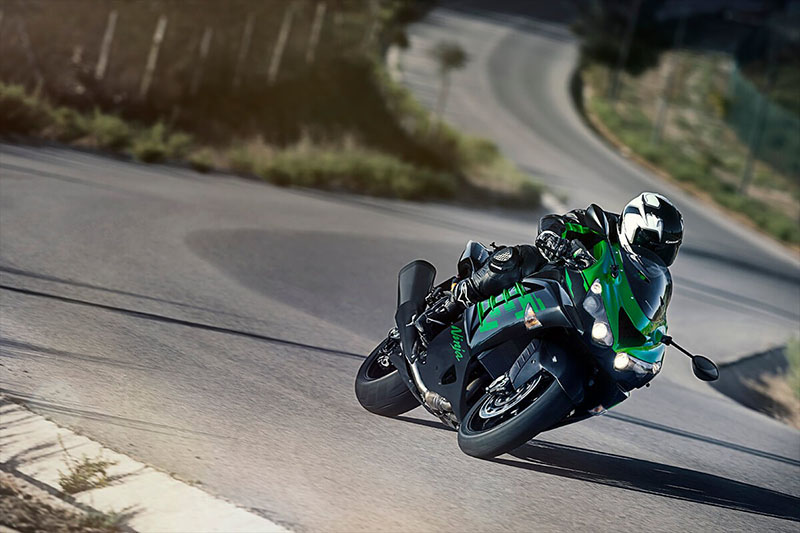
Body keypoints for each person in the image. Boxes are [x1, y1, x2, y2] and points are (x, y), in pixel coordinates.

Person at [414, 192, 684, 345]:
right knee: (513, 259)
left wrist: (654, 333)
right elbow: (557, 221)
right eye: (648, 242)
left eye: (663, 249)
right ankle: (449, 306)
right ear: (631, 226)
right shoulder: (600, 223)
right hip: (551, 277)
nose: (654, 252)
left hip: (582, 310)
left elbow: (651, 311)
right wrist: (552, 238)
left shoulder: (649, 275)